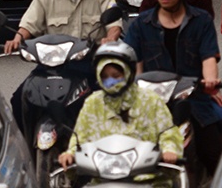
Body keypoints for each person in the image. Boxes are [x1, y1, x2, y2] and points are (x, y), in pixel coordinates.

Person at [122, 0, 222, 176]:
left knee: (214, 152)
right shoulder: (140, 24)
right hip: (151, 102)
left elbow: (208, 57)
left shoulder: (201, 20)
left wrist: (210, 81)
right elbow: (134, 63)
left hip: (192, 99)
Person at [60, 41, 182, 170]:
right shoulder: (92, 103)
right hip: (103, 175)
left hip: (147, 175)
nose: (110, 81)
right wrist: (70, 154)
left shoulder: (150, 100)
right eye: (105, 77)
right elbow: (80, 138)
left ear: (128, 73)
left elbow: (167, 131)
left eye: (116, 76)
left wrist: (169, 150)